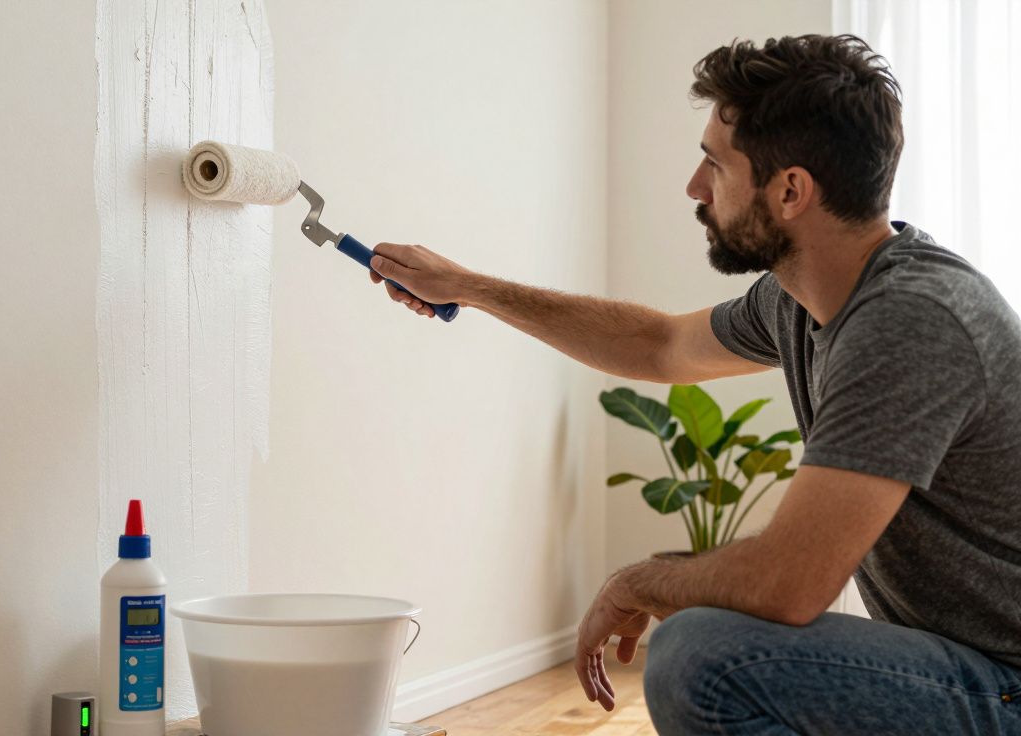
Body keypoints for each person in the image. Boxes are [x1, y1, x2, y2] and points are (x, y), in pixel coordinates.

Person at [366, 34, 1021, 735]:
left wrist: (642, 580)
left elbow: (788, 584)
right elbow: (660, 345)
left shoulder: (911, 320)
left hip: (1006, 681)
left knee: (706, 658)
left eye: (715, 163)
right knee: (706, 647)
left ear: (790, 191)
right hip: (968, 665)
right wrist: (470, 287)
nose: (694, 187)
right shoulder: (802, 300)